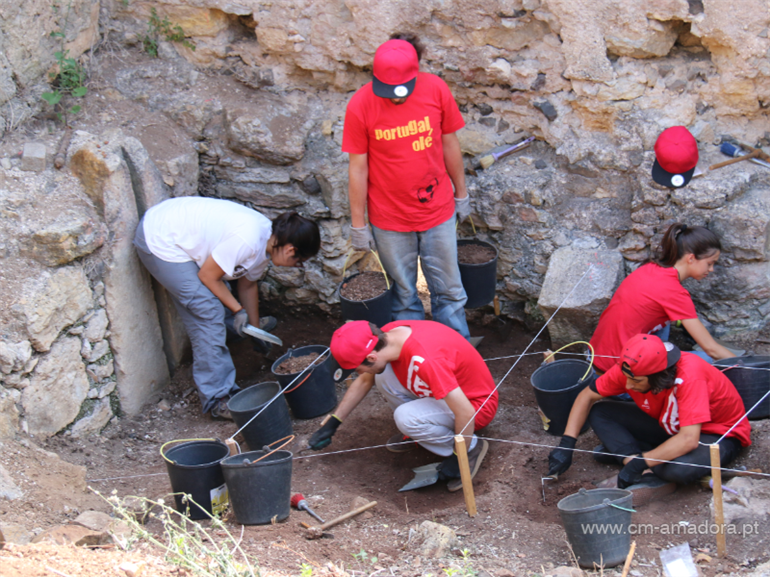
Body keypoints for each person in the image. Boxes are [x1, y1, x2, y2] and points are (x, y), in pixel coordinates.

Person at [134, 196, 320, 420]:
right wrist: (238, 311)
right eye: (299, 261)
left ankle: (234, 331)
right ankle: (218, 397)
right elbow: (208, 276)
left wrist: (254, 330)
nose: (296, 266)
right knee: (208, 311)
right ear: (290, 250)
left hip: (178, 234)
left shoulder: (268, 244)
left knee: (218, 300)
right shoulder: (248, 240)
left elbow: (247, 285)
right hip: (161, 238)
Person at [342, 33, 471, 339]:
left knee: (450, 290)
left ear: (415, 73)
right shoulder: (360, 105)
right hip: (389, 217)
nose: (396, 99)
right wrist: (358, 224)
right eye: (389, 92)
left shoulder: (436, 89)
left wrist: (461, 193)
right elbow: (357, 168)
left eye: (402, 91)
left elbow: (450, 144)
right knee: (403, 295)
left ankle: (456, 349)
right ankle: (411, 353)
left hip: (437, 209)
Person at [547, 334, 751, 499]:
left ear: (659, 376)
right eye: (627, 378)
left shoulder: (690, 376)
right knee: (601, 411)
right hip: (669, 424)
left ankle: (642, 462)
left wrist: (640, 463)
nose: (628, 385)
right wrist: (567, 444)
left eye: (636, 381)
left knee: (678, 470)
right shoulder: (631, 369)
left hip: (717, 434)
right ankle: (642, 465)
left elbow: (689, 439)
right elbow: (586, 396)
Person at [308, 320, 497, 491]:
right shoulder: (389, 335)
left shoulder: (427, 360)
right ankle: (423, 431)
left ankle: (472, 448)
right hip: (446, 394)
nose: (358, 373)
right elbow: (366, 380)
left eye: (357, 369)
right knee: (380, 375)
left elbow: (466, 412)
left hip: (475, 406)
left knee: (405, 418)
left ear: (371, 357)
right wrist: (334, 421)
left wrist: (458, 455)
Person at [589, 222, 736, 374]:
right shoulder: (674, 292)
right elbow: (711, 349)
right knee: (706, 359)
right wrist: (746, 367)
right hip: (617, 371)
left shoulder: (650, 268)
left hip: (594, 357)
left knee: (665, 318)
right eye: (709, 263)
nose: (711, 269)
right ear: (691, 258)